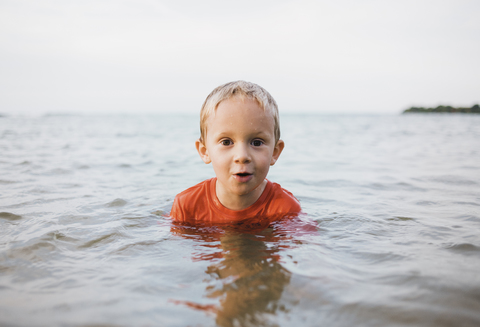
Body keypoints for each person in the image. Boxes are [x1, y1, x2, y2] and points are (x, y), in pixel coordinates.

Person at [170, 80, 301, 225]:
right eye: (226, 142)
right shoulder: (187, 207)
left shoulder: (286, 210)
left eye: (256, 143)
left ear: (275, 152)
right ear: (204, 151)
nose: (242, 156)